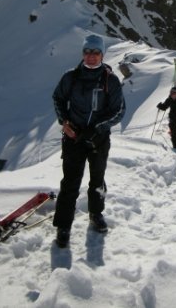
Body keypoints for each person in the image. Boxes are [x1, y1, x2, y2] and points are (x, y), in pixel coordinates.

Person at [52, 34, 126, 247]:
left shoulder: (109, 80)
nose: (91, 56)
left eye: (95, 52)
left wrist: (97, 129)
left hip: (98, 140)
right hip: (73, 137)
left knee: (97, 179)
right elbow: (58, 98)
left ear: (102, 54)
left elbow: (119, 110)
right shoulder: (71, 77)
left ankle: (96, 213)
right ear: (83, 53)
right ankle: (63, 225)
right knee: (70, 182)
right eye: (87, 52)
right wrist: (64, 121)